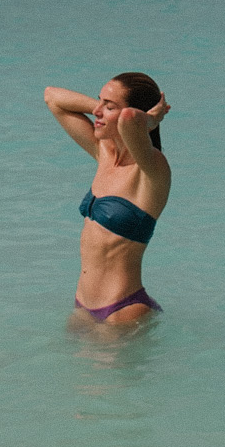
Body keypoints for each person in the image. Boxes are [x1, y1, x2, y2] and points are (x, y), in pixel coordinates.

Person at [43, 72, 171, 325]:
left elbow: (130, 118)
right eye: (99, 102)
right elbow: (53, 97)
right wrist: (103, 109)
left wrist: (150, 119)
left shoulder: (152, 169)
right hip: (83, 307)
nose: (96, 112)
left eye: (109, 106)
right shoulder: (104, 154)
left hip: (123, 309)